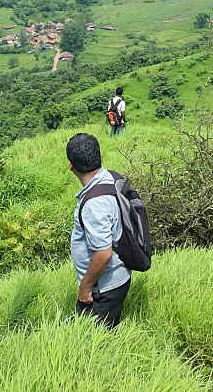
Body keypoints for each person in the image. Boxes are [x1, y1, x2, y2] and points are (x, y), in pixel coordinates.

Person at [66, 133, 131, 328]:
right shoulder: (110, 178)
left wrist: (85, 288)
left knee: (92, 343)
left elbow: (103, 254)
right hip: (118, 275)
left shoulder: (94, 204)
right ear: (100, 157)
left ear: (70, 165)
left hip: (103, 288)